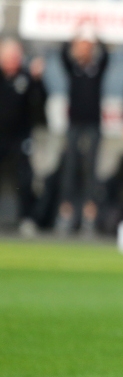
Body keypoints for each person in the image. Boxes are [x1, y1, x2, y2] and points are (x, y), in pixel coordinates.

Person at [57, 34, 110, 236]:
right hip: (74, 124)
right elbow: (63, 54)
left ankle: (89, 214)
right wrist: (75, 35)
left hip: (93, 124)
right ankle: (66, 212)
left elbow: (106, 56)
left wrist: (96, 37)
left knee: (91, 169)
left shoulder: (96, 70)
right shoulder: (74, 70)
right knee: (70, 168)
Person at [0, 38, 47, 236]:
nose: (12, 60)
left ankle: (27, 218)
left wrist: (38, 80)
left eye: (15, 56)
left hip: (20, 137)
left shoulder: (27, 78)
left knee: (25, 179)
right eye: (8, 56)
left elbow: (40, 105)